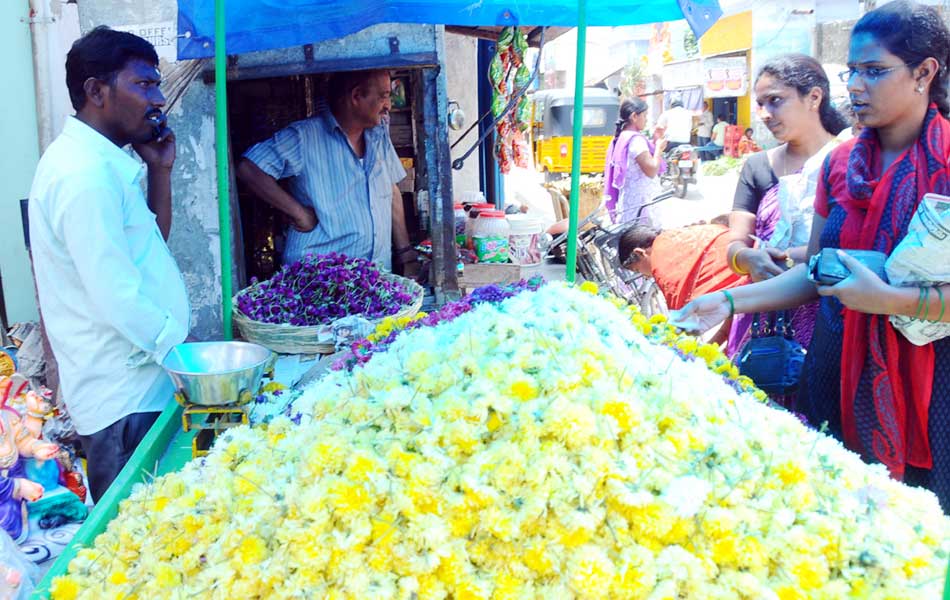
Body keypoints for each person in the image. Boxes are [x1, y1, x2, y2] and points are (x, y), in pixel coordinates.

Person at [673, 0, 950, 510]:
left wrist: (890, 300)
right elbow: (818, 272)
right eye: (853, 71)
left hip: (933, 386)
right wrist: (729, 303)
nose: (856, 86)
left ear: (924, 72)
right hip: (835, 366)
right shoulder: (842, 164)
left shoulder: (947, 162)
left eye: (874, 71)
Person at [28, 27, 189, 502]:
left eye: (156, 85)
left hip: (142, 390)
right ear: (96, 91)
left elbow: (147, 248)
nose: (158, 99)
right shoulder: (83, 176)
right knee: (139, 547)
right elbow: (115, 294)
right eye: (143, 84)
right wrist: (186, 359)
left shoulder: (101, 166)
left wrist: (160, 171)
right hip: (125, 403)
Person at [724, 54, 848, 365]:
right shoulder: (758, 167)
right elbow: (734, 244)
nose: (765, 114)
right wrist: (747, 257)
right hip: (761, 316)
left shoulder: (849, 160)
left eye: (775, 101)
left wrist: (792, 255)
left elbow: (851, 246)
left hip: (829, 314)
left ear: (814, 97)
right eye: (760, 104)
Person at [236, 69, 414, 273]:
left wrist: (406, 254)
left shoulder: (378, 134)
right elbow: (249, 168)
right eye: (383, 97)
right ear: (356, 96)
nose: (388, 106)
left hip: (373, 276)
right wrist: (299, 213)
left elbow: (389, 190)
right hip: (320, 279)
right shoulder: (304, 137)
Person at [620, 218, 747, 344]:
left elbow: (682, 319)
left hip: (749, 286)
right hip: (750, 271)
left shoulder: (662, 264)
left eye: (637, 270)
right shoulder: (681, 233)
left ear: (640, 253)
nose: (645, 277)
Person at [603, 98, 667, 225]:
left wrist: (654, 140)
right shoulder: (635, 140)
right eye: (645, 115)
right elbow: (651, 170)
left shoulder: (622, 137)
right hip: (642, 205)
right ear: (634, 116)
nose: (647, 119)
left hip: (630, 202)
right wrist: (659, 148)